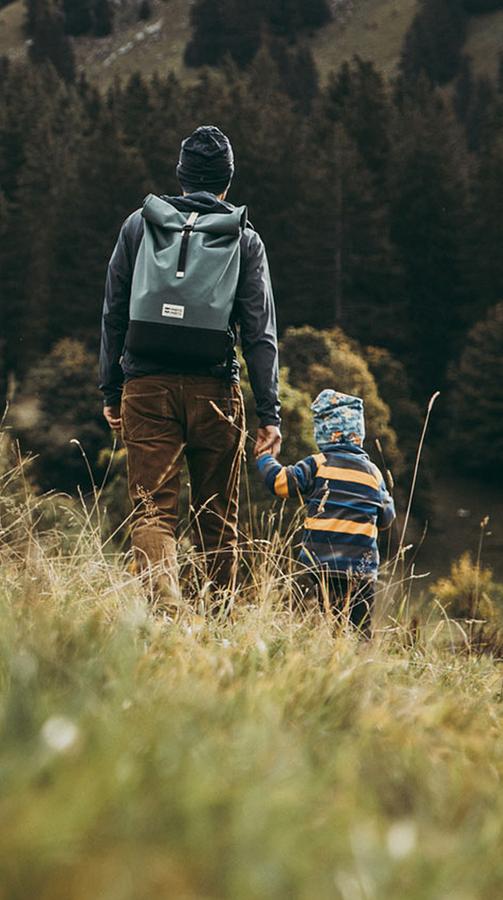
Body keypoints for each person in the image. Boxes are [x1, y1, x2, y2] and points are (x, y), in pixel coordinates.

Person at [99, 125, 281, 611]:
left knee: (152, 510)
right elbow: (259, 333)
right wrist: (270, 414)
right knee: (217, 515)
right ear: (228, 180)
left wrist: (111, 390)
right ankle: (219, 620)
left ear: (180, 177)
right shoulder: (244, 238)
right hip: (216, 388)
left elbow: (114, 313)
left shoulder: (139, 225)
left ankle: (165, 611)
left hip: (146, 385)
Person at [256, 390, 395, 636]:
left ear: (323, 430)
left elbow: (281, 484)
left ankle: (329, 658)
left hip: (323, 565)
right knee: (360, 628)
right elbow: (386, 518)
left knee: (330, 622)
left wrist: (264, 458)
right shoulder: (374, 473)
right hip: (362, 569)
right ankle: (358, 665)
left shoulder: (318, 463)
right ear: (358, 434)